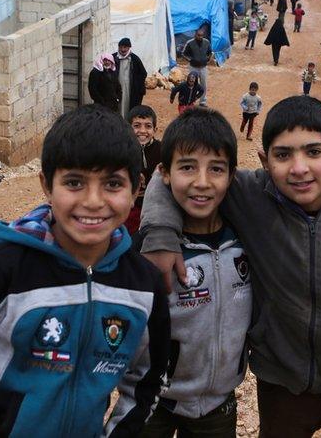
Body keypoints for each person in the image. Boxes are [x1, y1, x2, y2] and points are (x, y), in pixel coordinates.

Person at [140, 96, 321, 438]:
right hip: (282, 386)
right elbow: (171, 175)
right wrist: (161, 234)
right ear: (265, 161)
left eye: (314, 152)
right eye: (283, 155)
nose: (299, 168)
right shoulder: (252, 197)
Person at [0, 105, 170, 436]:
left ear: (137, 188)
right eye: (75, 182)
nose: (94, 201)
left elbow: (149, 381)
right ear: (47, 186)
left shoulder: (144, 286)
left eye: (112, 184)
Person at [114, 107, 251, 438]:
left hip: (217, 404)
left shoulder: (246, 242)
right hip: (148, 399)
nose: (202, 183)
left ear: (232, 176)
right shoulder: (144, 252)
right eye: (187, 167)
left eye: (216, 169)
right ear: (165, 172)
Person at [126, 105, 162, 235]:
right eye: (136, 126)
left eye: (148, 126)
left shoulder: (162, 150)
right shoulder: (122, 150)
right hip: (130, 206)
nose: (142, 131)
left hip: (156, 205)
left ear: (155, 129)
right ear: (128, 128)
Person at [113, 37, 149, 114]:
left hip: (130, 89)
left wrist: (136, 84)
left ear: (129, 47)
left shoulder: (135, 59)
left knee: (129, 105)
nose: (122, 49)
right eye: (121, 47)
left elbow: (143, 73)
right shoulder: (113, 58)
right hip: (117, 87)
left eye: (125, 47)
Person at [182, 29, 212, 106]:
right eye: (198, 35)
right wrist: (190, 60)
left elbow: (210, 52)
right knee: (192, 84)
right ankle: (190, 100)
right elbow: (183, 53)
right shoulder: (190, 43)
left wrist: (208, 59)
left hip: (203, 67)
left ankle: (202, 101)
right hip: (193, 67)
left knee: (203, 84)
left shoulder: (207, 42)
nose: (200, 37)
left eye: (202, 35)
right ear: (195, 35)